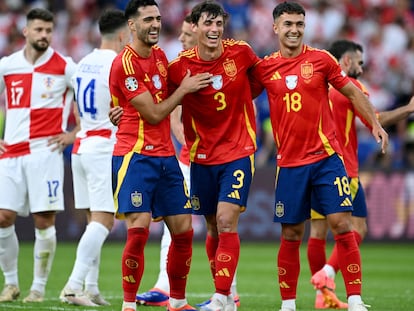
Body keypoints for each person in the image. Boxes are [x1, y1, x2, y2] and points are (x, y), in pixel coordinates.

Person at [249, 2, 389, 311]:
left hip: (327, 159)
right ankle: (288, 304)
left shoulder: (322, 59)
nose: (294, 29)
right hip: (289, 165)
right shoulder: (264, 68)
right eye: (288, 24)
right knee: (291, 233)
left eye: (299, 23)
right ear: (275, 27)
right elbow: (237, 98)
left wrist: (375, 123)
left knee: (341, 224)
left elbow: (353, 93)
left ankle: (354, 300)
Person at [109, 1, 212, 311]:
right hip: (135, 156)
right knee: (138, 231)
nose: (155, 24)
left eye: (157, 18)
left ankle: (177, 302)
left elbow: (162, 98)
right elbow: (154, 113)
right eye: (148, 19)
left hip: (165, 156)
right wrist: (183, 90)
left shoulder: (160, 56)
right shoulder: (125, 63)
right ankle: (129, 305)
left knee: (183, 229)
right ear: (131, 25)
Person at [307, 39, 414, 309]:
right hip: (343, 167)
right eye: (359, 62)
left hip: (312, 165)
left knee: (318, 232)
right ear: (345, 61)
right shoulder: (350, 87)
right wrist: (409, 109)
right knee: (357, 228)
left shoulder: (317, 84)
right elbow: (375, 119)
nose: (361, 69)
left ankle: (324, 297)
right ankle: (328, 273)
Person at [168, 1, 261, 310]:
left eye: (219, 24)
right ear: (194, 27)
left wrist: (241, 103)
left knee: (225, 221)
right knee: (210, 225)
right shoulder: (180, 67)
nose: (214, 30)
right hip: (201, 155)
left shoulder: (242, 53)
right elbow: (159, 99)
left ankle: (222, 298)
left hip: (238, 150)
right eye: (208, 23)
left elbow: (260, 82)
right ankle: (225, 296)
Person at [0, 8, 77, 303]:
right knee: (3, 216)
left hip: (45, 153)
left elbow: (89, 96)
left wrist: (73, 133)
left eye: (48, 30)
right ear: (26, 32)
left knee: (43, 220)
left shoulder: (65, 66)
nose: (44, 35)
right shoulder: (8, 65)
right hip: (11, 153)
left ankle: (38, 287)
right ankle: (10, 283)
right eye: (39, 30)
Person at [59, 9, 130, 307]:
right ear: (125, 33)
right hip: (103, 148)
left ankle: (91, 286)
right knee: (104, 220)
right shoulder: (117, 64)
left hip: (81, 146)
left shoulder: (83, 62)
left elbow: (76, 109)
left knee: (92, 219)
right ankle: (73, 287)